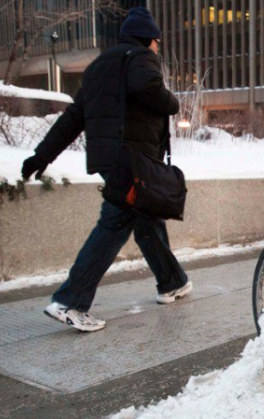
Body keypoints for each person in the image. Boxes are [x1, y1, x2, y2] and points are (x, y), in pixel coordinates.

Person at [21, 7, 192, 332]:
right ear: (150, 39)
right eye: (157, 42)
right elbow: (149, 90)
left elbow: (72, 118)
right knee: (116, 223)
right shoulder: (141, 58)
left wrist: (40, 157)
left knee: (147, 217)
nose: (157, 48)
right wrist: (172, 103)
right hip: (133, 160)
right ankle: (70, 301)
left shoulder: (100, 67)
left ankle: (173, 282)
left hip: (110, 158)